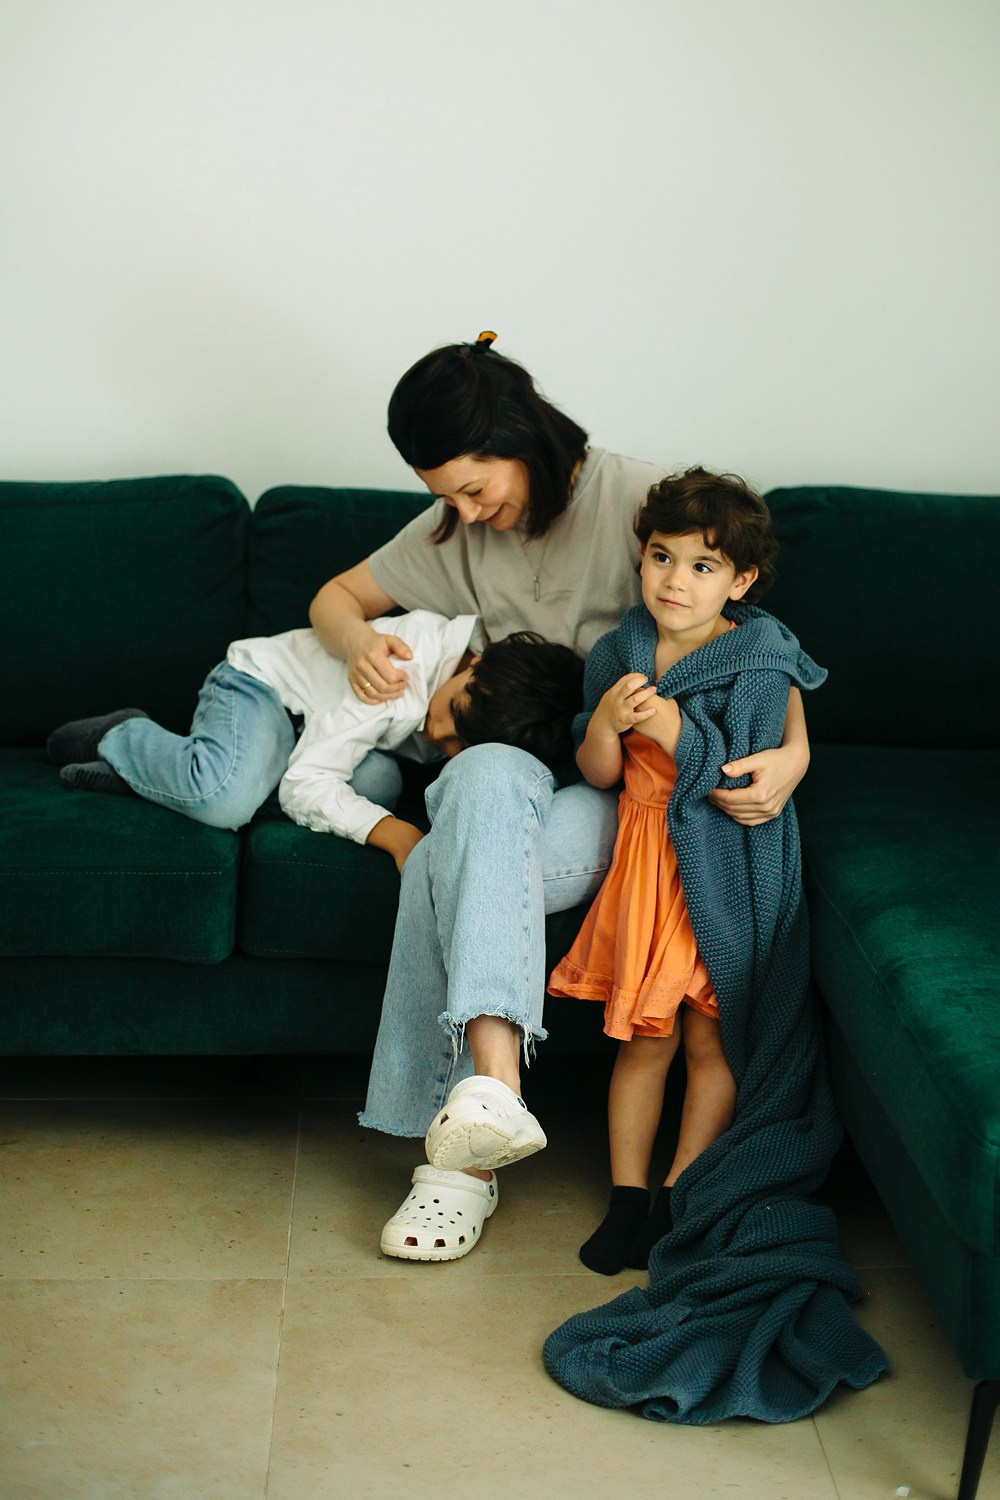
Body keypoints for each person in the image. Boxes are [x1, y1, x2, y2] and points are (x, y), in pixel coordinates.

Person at [307, 333, 812, 1263]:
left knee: (453, 854)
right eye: (445, 497)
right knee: (485, 780)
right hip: (507, 777)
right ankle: (490, 1104)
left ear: (520, 435)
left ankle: (456, 1167)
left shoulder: (637, 502)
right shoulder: (457, 532)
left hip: (616, 794)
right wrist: (354, 644)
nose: (465, 512)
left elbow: (751, 635)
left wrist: (794, 753)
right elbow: (336, 596)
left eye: (473, 486)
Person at [548, 468, 820, 1275]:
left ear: (741, 581)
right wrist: (603, 723)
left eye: (703, 567)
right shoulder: (619, 650)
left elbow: (743, 782)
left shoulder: (759, 662)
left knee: (711, 1042)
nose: (676, 580)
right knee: (644, 1040)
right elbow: (596, 772)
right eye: (662, 557)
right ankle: (626, 1194)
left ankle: (678, 1191)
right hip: (645, 860)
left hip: (722, 864)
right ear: (641, 557)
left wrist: (673, 731)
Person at [47, 613, 584, 868]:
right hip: (259, 692)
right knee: (223, 797)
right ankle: (121, 734)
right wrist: (396, 835)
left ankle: (154, 779)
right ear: (478, 665)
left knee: (379, 781)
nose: (432, 734)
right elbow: (307, 781)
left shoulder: (487, 706)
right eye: (446, 715)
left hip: (313, 736)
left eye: (452, 747)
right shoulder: (396, 672)